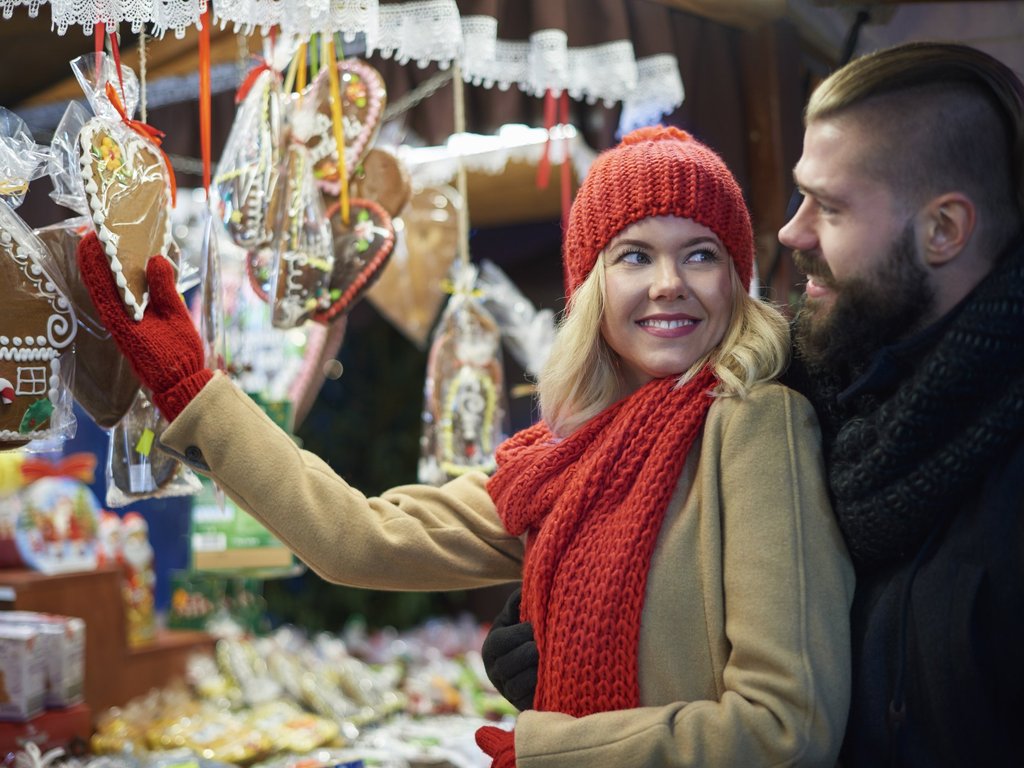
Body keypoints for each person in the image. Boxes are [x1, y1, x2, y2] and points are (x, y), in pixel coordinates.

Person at [78, 126, 854, 766]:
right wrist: (194, 391)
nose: (667, 284)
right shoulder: (566, 459)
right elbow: (360, 539)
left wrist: (557, 749)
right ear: (589, 293)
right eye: (634, 255)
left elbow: (786, 728)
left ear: (735, 278)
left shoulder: (758, 425)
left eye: (700, 253)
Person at [482, 41, 1024, 768]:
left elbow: (793, 722)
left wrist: (562, 746)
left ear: (943, 230)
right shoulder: (823, 385)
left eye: (827, 207)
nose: (790, 232)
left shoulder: (983, 471)